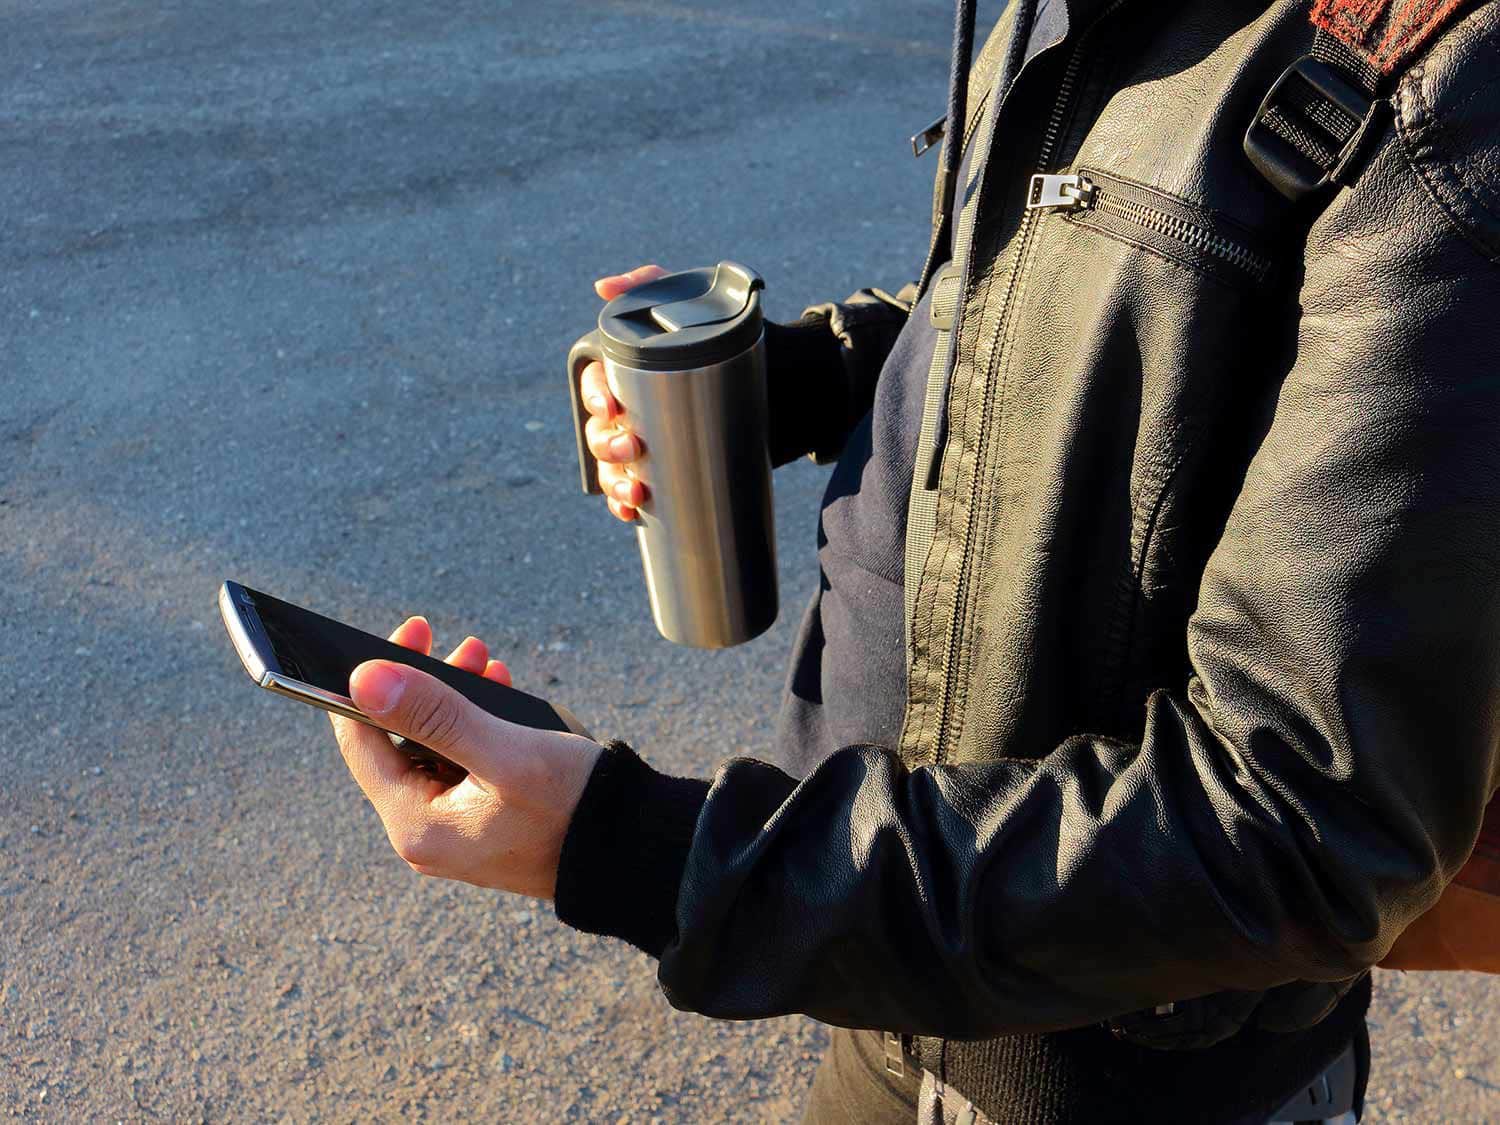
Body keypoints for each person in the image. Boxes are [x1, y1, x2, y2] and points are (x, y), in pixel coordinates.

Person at [327, 0, 1500, 1120]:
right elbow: (1036, 301)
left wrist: (645, 852)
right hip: (891, 983)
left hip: (1124, 1080)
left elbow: (1307, 819)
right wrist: (797, 380)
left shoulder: (1442, 82)